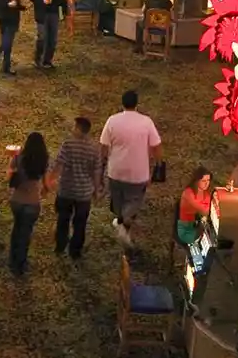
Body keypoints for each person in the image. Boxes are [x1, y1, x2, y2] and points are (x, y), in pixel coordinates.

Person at [100, 90, 162, 249]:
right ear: (136, 104)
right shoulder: (146, 122)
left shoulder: (112, 121)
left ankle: (120, 221)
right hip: (138, 173)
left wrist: (103, 162)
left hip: (116, 170)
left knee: (118, 199)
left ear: (122, 103)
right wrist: (158, 163)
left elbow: (104, 146)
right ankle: (124, 224)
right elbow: (156, 146)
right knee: (134, 200)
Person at [49, 115, 103, 259]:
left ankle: (60, 246)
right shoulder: (94, 148)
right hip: (84, 193)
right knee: (80, 224)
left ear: (79, 129)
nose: (72, 129)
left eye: (74, 127)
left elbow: (59, 164)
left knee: (63, 219)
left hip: (66, 190)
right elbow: (97, 171)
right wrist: (97, 190)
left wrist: (50, 180)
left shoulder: (68, 144)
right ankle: (75, 251)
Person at [7, 132, 52, 277]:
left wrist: (11, 162)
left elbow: (8, 177)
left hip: (17, 200)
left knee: (16, 228)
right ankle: (21, 263)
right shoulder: (43, 161)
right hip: (32, 203)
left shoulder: (18, 158)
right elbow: (46, 185)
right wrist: (44, 192)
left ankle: (12, 259)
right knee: (25, 234)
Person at [29, 0, 69, 69]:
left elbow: (63, 0)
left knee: (52, 39)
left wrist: (65, 14)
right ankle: (37, 59)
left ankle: (47, 61)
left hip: (54, 15)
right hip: (42, 15)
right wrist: (42, 1)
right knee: (42, 37)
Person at [176, 166, 212, 244]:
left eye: (208, 180)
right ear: (196, 181)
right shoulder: (188, 193)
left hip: (198, 226)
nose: (206, 183)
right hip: (186, 230)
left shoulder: (206, 194)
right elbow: (205, 210)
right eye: (203, 181)